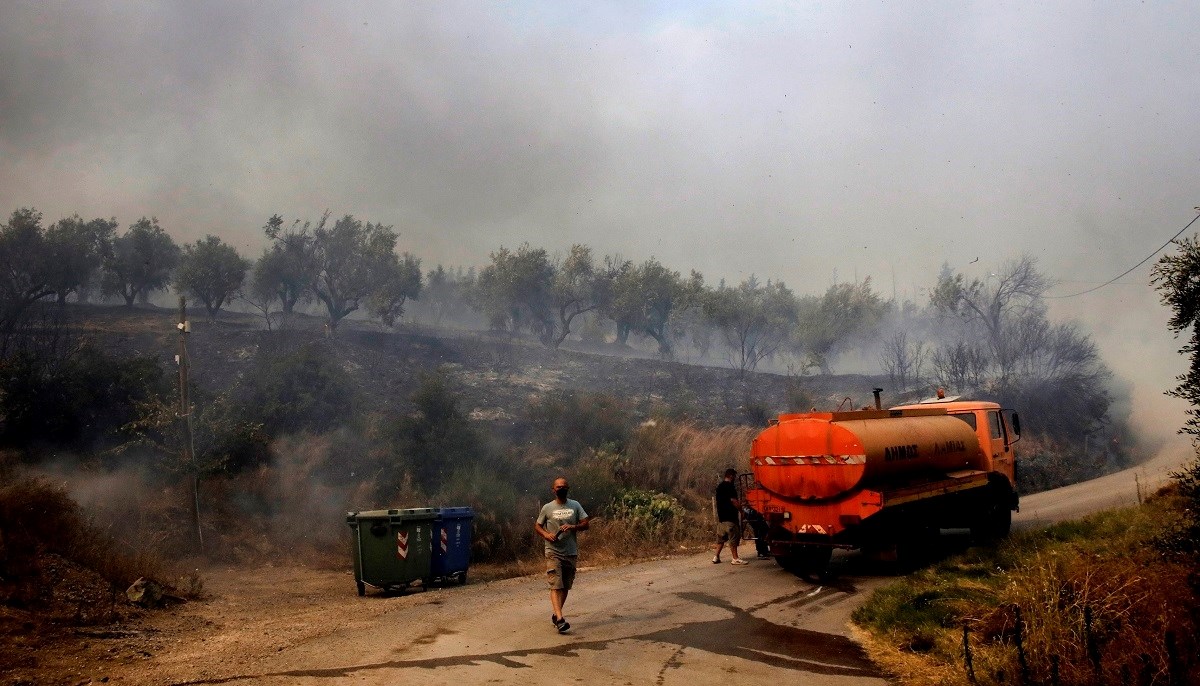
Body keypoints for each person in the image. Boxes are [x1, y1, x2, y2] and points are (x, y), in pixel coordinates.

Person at [535, 476, 590, 633]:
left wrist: (573, 527)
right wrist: (546, 535)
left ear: (568, 489)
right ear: (553, 490)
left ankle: (556, 613)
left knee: (565, 585)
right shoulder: (547, 508)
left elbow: (586, 523)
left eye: (564, 487)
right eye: (558, 487)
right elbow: (538, 526)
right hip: (553, 551)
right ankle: (560, 619)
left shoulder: (575, 505)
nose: (561, 489)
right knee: (556, 584)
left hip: (570, 551)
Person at [713, 468, 747, 565]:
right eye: (734, 476)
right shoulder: (730, 487)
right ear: (731, 476)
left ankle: (716, 557)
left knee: (721, 539)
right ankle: (735, 558)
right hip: (730, 518)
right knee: (733, 538)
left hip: (721, 518)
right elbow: (733, 501)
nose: (735, 478)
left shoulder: (719, 487)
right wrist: (741, 510)